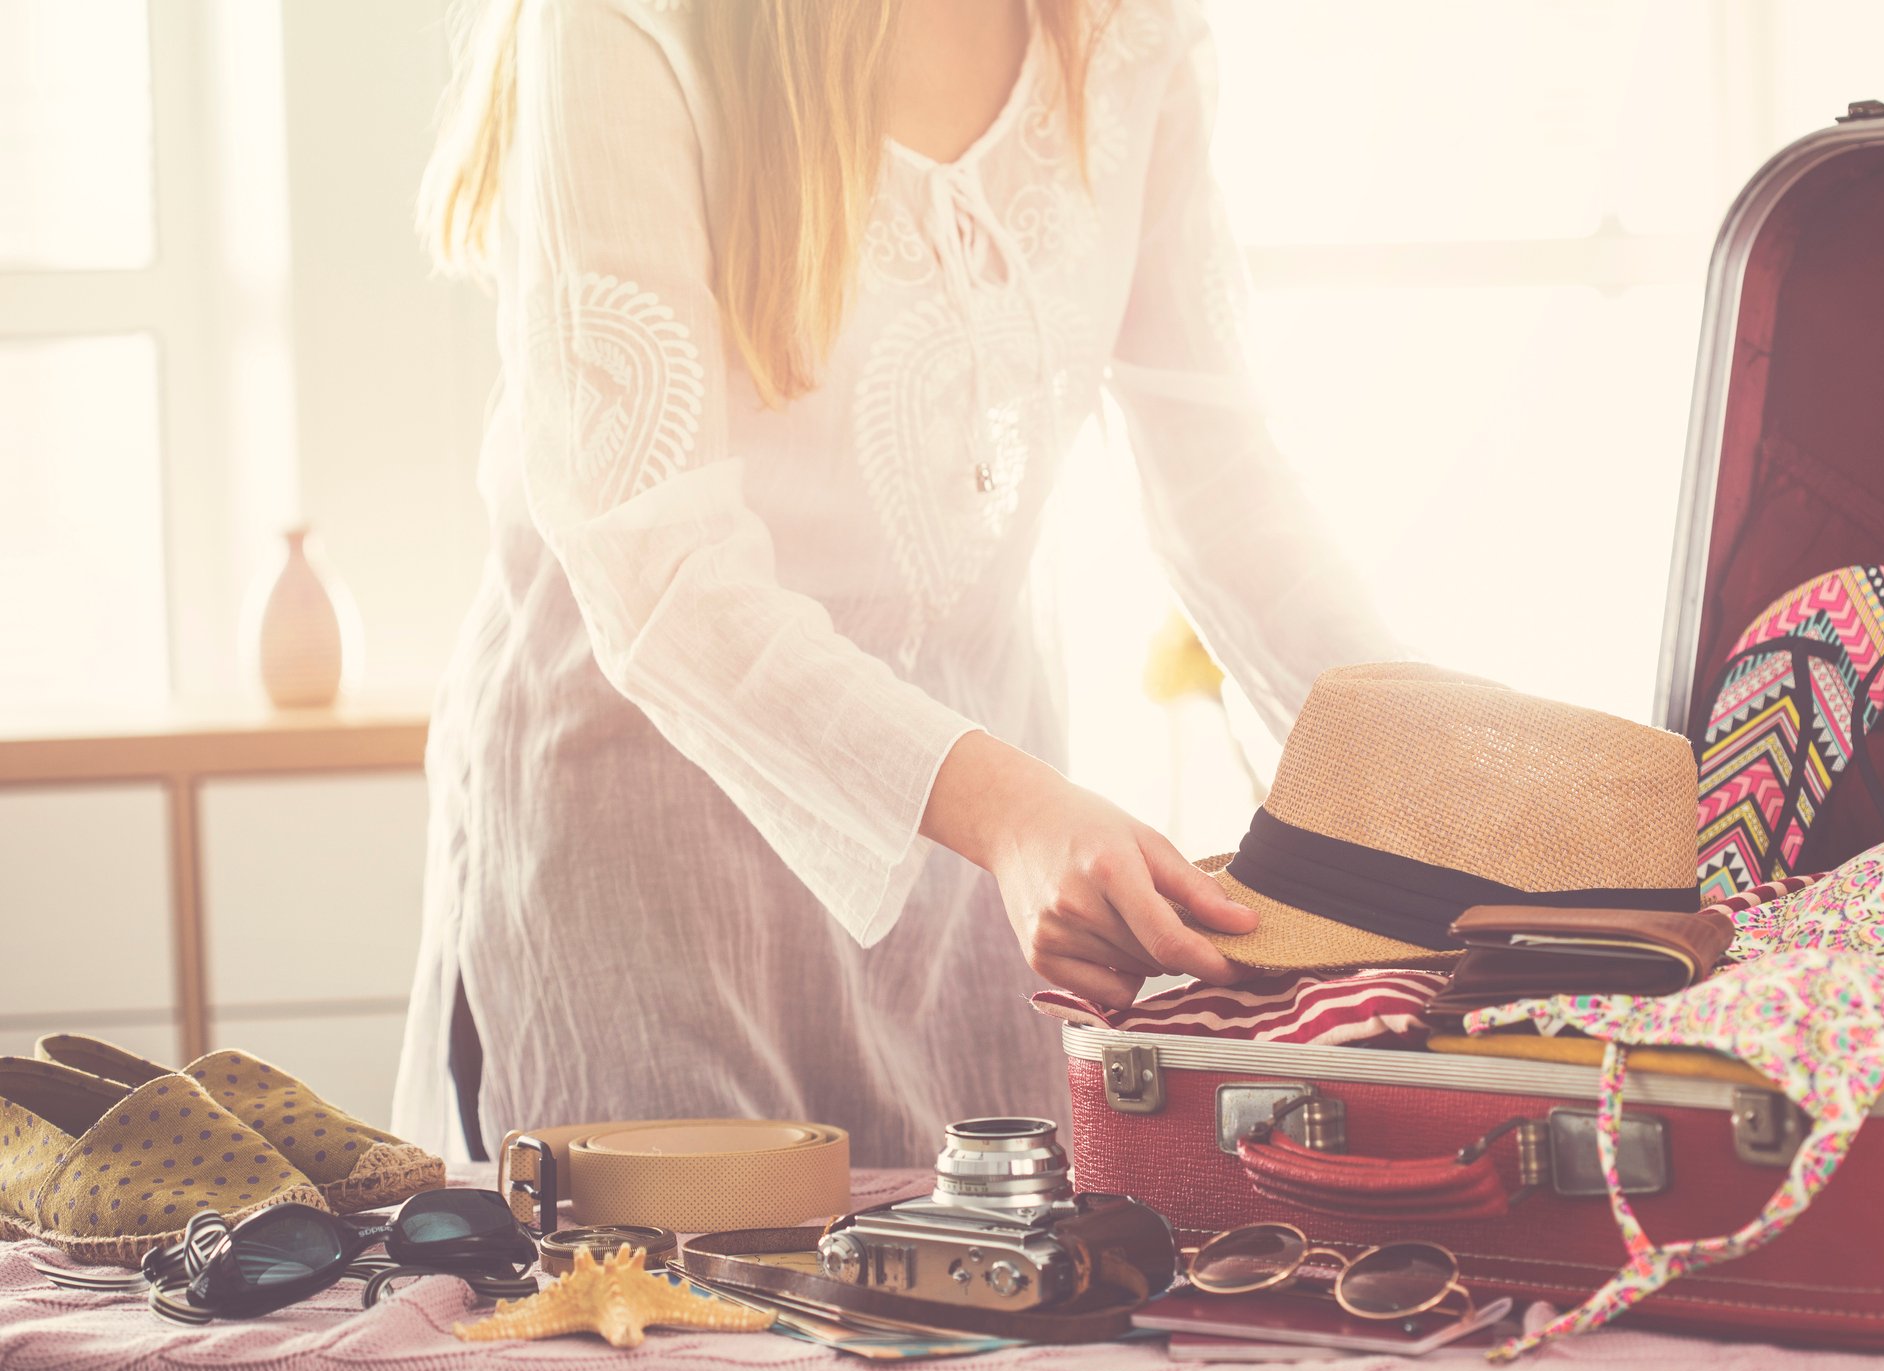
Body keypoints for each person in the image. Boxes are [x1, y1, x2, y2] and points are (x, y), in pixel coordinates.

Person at [393, 0, 1401, 1167]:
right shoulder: (623, 23)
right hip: (648, 875)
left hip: (969, 897)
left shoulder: (1124, 31)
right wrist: (1016, 812)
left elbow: (1225, 485)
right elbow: (660, 571)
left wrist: (1459, 792)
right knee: (698, 1283)